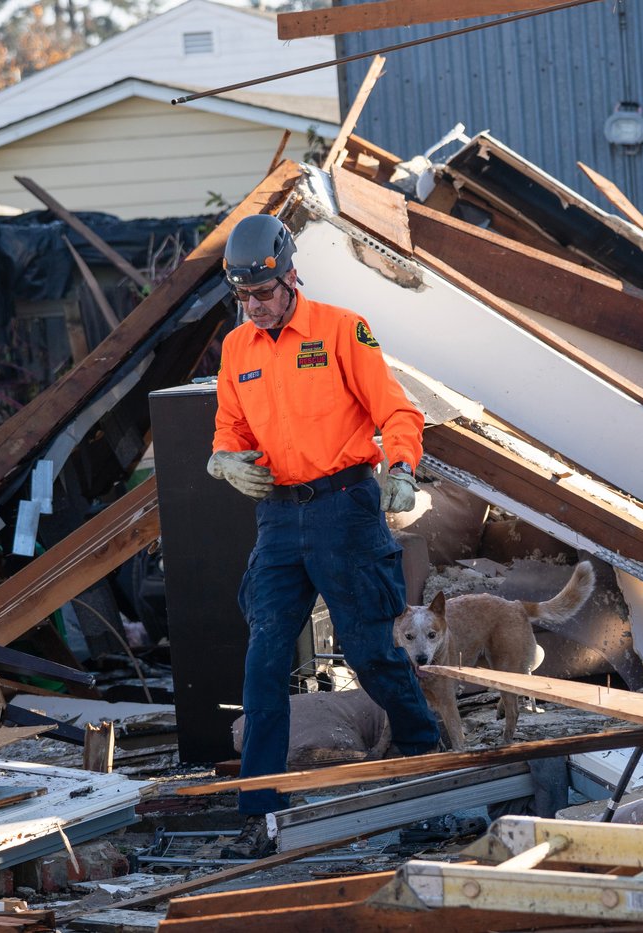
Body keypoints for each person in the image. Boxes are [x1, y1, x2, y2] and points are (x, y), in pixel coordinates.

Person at [208, 214, 440, 858]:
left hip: (346, 507)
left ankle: (428, 767)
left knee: (372, 654)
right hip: (279, 520)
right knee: (263, 663)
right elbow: (233, 429)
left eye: (263, 293)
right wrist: (223, 458)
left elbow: (397, 409)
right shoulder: (237, 351)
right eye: (243, 297)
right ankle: (261, 812)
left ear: (289, 278)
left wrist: (400, 466)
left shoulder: (342, 329)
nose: (253, 307)